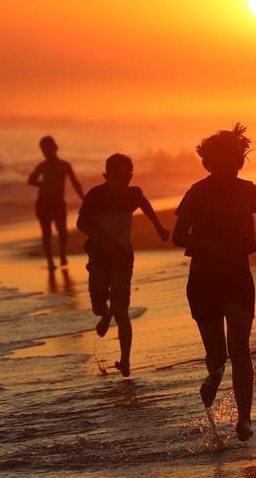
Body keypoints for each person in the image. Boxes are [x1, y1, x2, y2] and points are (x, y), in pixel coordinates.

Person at [172, 123, 256, 441]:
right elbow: (178, 236)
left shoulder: (249, 190)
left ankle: (245, 420)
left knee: (240, 348)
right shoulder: (197, 192)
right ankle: (213, 375)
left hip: (237, 277)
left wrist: (250, 243)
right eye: (217, 164)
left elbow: (249, 229)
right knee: (219, 357)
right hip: (204, 281)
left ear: (238, 162)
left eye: (231, 163)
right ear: (208, 164)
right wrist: (209, 244)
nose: (225, 170)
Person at [77, 153, 169, 377]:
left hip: (123, 258)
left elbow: (144, 204)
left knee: (122, 310)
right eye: (115, 178)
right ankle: (104, 314)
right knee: (98, 304)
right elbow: (81, 223)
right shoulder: (95, 196)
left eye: (125, 178)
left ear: (131, 176)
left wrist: (158, 226)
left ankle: (125, 360)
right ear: (105, 176)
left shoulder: (132, 194)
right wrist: (102, 239)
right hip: (99, 257)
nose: (120, 182)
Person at [28, 136, 84, 270]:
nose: (46, 151)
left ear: (55, 147)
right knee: (46, 232)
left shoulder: (64, 165)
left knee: (63, 232)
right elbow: (31, 180)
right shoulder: (43, 166)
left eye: (48, 147)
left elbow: (75, 182)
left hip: (58, 202)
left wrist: (84, 198)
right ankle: (50, 262)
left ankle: (63, 255)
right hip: (43, 203)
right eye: (43, 149)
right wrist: (43, 184)